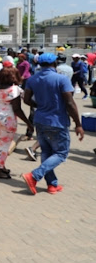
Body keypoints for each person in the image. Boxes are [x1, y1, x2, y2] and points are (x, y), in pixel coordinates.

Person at [22, 53, 84, 195]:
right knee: (61, 153)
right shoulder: (62, 79)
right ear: (55, 63)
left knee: (46, 152)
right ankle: (34, 176)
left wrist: (39, 105)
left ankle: (52, 184)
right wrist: (78, 124)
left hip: (40, 120)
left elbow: (26, 100)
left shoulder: (32, 79)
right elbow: (70, 103)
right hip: (57, 121)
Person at [0, 67, 32, 179]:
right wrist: (28, 123)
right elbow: (17, 109)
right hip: (8, 119)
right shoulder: (14, 89)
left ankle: (2, 166)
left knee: (2, 142)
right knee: (5, 145)